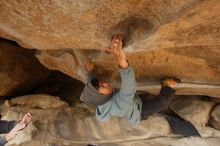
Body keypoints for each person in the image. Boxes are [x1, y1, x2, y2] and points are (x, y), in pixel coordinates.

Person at [80, 33, 181, 126]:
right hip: (140, 111)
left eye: (101, 83)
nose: (105, 83)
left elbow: (91, 84)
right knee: (163, 103)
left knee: (135, 97)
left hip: (132, 100)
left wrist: (90, 70)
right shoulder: (120, 105)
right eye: (103, 86)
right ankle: (165, 84)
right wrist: (120, 59)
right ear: (100, 97)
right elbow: (129, 84)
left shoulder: (97, 98)